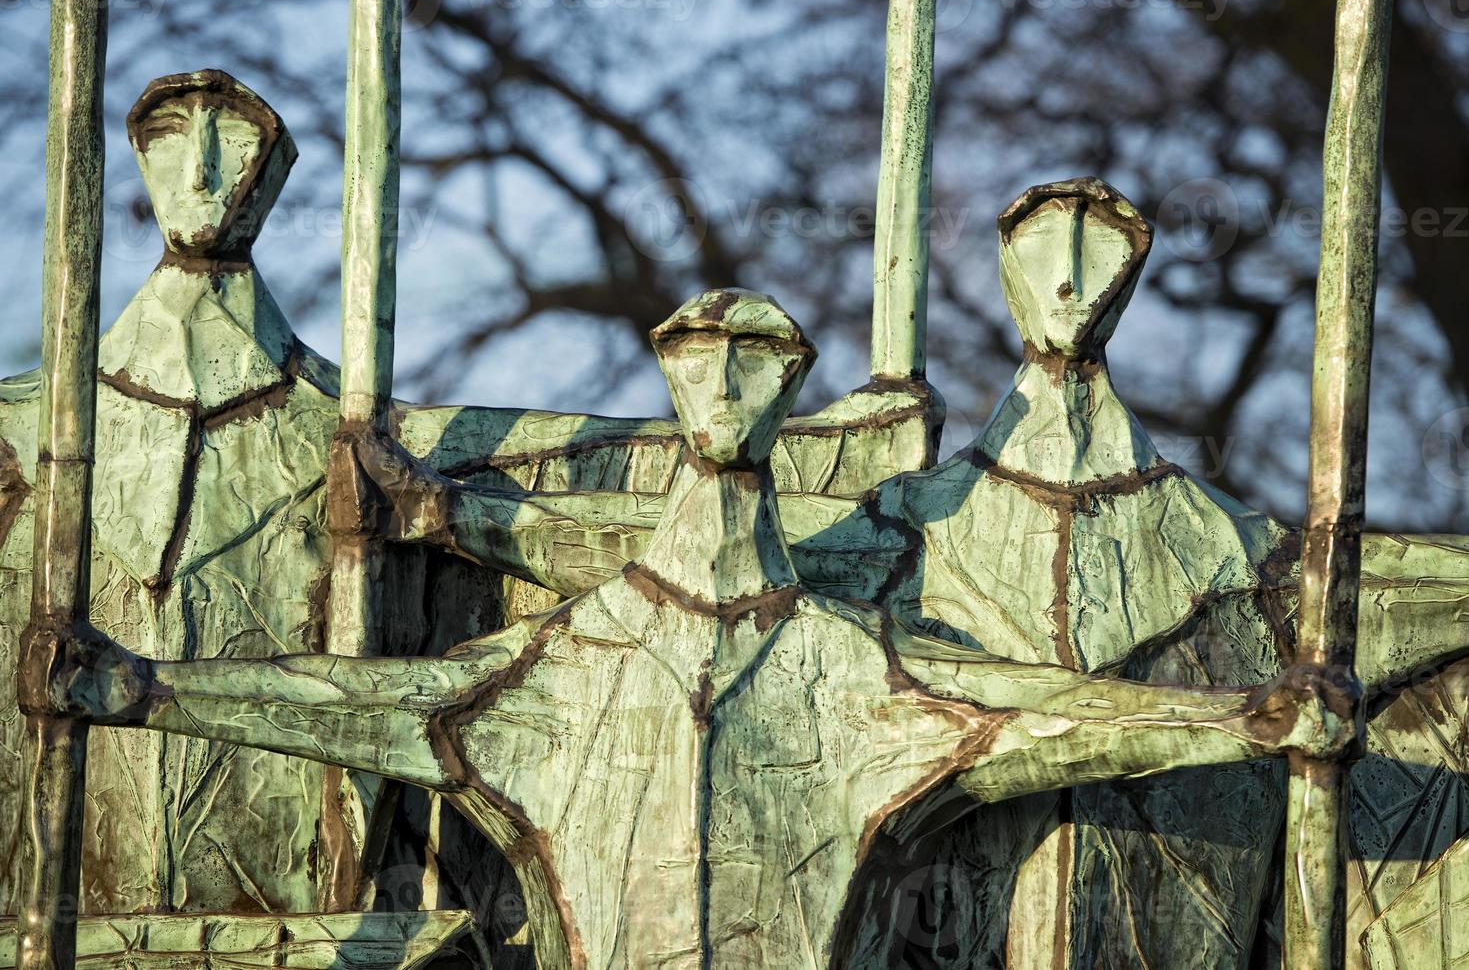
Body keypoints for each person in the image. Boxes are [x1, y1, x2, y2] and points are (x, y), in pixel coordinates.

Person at [334, 179, 1469, 967]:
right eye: (1040, 250)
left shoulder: (1238, 553)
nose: (1068, 280)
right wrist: (456, 514)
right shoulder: (906, 531)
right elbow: (678, 570)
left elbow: (1399, 588)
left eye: (1098, 251)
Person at [53, 292, 1355, 969]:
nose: (724, 385)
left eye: (755, 363)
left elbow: (1048, 714)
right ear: (670, 385)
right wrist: (145, 687)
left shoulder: (858, 669)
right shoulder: (575, 661)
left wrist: (1238, 714)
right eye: (700, 362)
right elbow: (369, 704)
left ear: (788, 392)